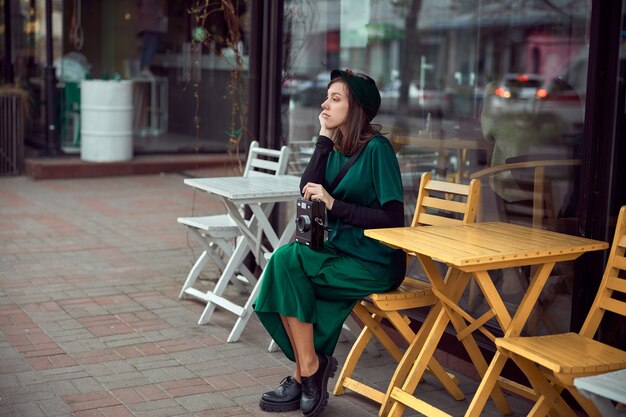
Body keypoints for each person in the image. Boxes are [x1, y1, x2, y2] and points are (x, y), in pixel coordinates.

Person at [254, 69, 406, 417]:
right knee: (284, 262)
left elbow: (393, 220)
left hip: (374, 262)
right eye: (327, 96)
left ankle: (305, 371)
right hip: (339, 252)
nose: (324, 103)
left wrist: (335, 205)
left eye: (335, 99)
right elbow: (307, 188)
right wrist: (323, 138)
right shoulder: (336, 145)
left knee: (293, 274)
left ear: (356, 109)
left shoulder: (378, 151)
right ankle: (309, 366)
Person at [136, 0, 167, 77]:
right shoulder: (151, 3)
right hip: (152, 28)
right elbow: (158, 13)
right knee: (151, 47)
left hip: (145, 28)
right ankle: (145, 68)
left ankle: (143, 68)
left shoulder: (142, 4)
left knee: (145, 48)